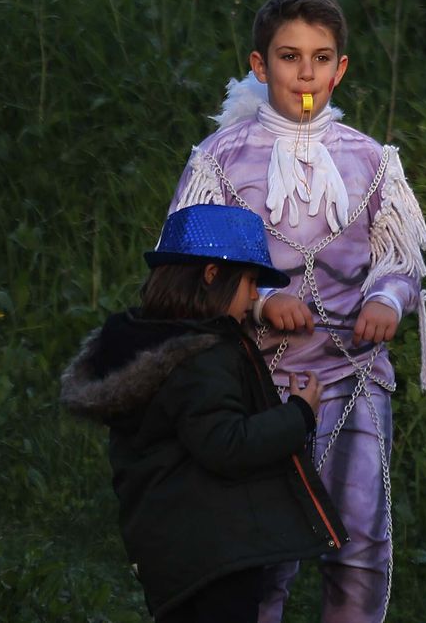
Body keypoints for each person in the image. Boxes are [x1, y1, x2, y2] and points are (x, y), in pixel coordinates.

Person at [166, 0, 426, 623]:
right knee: (266, 551)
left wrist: (388, 301)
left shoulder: (372, 160)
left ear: (340, 69)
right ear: (260, 66)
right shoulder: (220, 160)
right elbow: (185, 271)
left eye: (320, 58)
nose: (305, 73)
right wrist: (257, 301)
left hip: (353, 375)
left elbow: (399, 258)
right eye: (289, 57)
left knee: (362, 542)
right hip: (257, 383)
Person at [60, 203, 347, 623]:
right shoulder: (201, 357)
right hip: (216, 553)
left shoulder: (136, 341)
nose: (254, 296)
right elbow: (226, 444)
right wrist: (300, 413)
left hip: (165, 549)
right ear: (212, 275)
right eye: (250, 282)